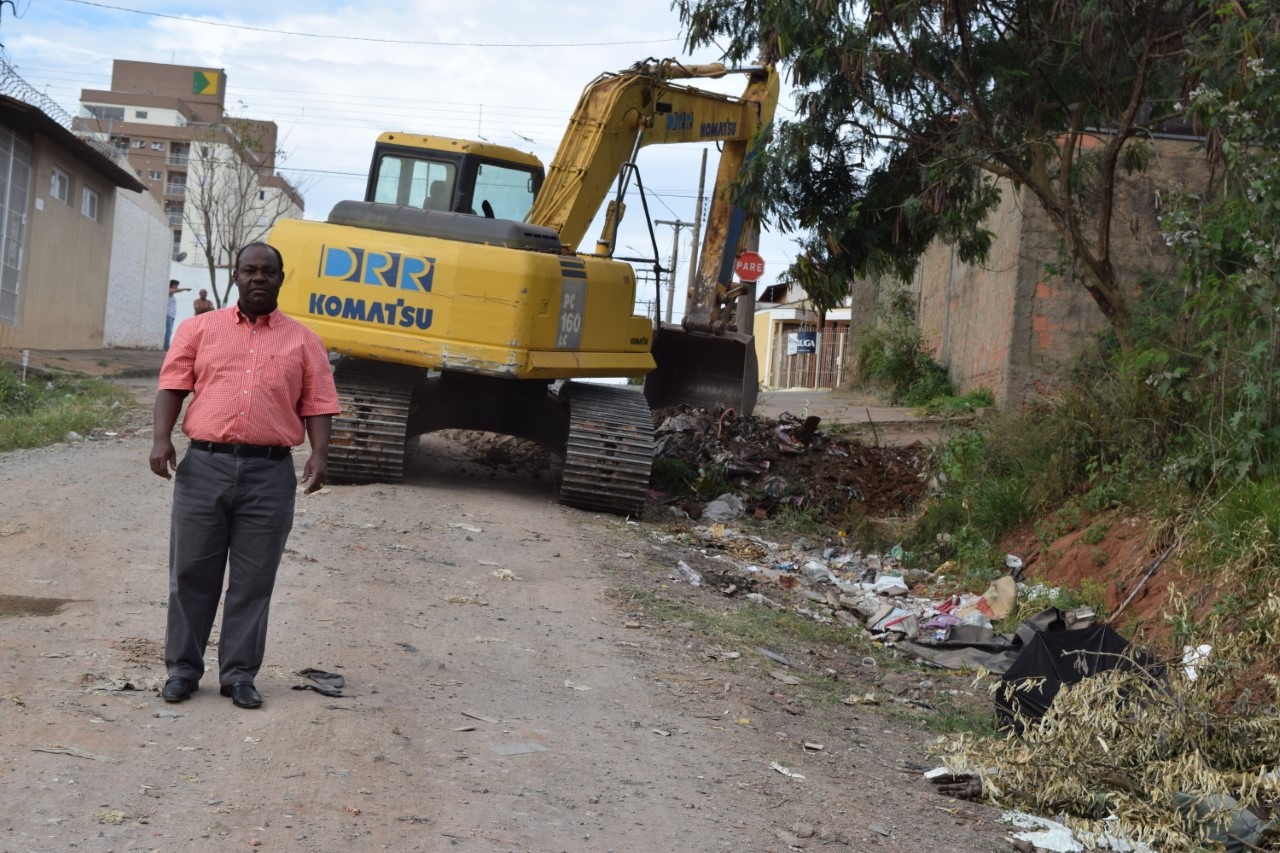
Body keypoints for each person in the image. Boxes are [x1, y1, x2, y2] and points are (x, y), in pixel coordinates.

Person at [149, 243, 340, 709]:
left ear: (281, 278)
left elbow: (317, 404)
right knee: (192, 573)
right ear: (235, 275)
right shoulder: (199, 330)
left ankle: (238, 675)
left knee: (254, 580)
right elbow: (173, 386)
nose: (259, 278)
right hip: (205, 467)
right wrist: (161, 439)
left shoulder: (303, 340)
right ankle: (182, 670)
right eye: (250, 270)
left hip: (269, 473)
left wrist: (319, 453)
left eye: (268, 271)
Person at [164, 280, 190, 350]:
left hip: (172, 316)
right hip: (168, 315)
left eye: (177, 285)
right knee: (168, 331)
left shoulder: (172, 295)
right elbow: (176, 291)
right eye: (175, 285)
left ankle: (166, 346)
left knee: (170, 332)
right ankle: (166, 347)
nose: (176, 287)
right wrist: (185, 289)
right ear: (171, 285)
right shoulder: (168, 291)